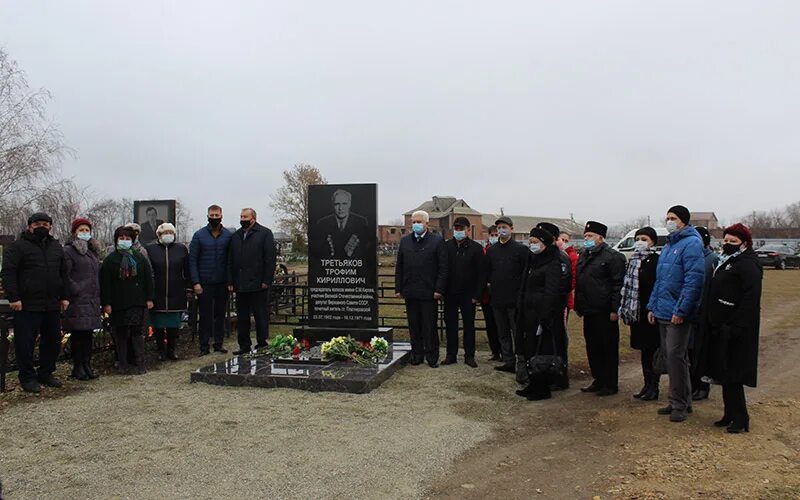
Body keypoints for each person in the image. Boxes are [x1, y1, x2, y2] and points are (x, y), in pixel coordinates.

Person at [647, 205, 705, 423]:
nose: (668, 221)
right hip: (662, 310)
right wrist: (652, 306)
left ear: (683, 221)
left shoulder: (691, 243)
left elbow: (693, 281)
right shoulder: (670, 244)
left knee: (676, 358)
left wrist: (682, 310)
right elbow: (660, 280)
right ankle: (680, 400)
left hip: (677, 314)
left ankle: (679, 404)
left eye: (673, 218)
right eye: (667, 217)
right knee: (673, 359)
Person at [1, 212, 69, 393]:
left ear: (50, 227)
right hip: (26, 304)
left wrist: (65, 296)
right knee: (25, 343)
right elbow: (8, 272)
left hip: (51, 304)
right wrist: (13, 297)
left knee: (53, 340)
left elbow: (63, 273)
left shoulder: (56, 247)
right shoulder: (18, 247)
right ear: (30, 226)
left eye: (46, 224)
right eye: (38, 223)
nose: (42, 227)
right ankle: (27, 377)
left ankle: (46, 373)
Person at [705, 223, 762, 434]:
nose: (727, 244)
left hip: (737, 328)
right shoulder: (729, 260)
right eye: (726, 241)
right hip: (722, 324)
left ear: (744, 243)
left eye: (733, 242)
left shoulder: (748, 264)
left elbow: (750, 297)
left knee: (735, 374)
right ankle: (729, 413)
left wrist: (737, 325)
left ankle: (741, 418)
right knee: (725, 372)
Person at [515, 227, 568, 401]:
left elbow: (551, 292)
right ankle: (533, 384)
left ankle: (542, 388)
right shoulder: (532, 260)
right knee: (530, 349)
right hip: (528, 312)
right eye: (530, 242)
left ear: (544, 243)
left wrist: (544, 317)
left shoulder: (552, 262)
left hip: (541, 314)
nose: (532, 245)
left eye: (535, 242)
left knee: (541, 351)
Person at [575, 221, 625, 397]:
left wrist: (614, 309)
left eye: (590, 236)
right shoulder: (584, 255)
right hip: (589, 309)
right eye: (585, 236)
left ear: (601, 238)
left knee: (607, 348)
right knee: (593, 347)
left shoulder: (613, 257)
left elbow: (618, 285)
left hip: (605, 311)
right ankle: (598, 379)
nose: (586, 239)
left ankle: (610, 383)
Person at [395, 210, 448, 367]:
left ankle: (432, 356)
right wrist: (398, 287)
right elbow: (400, 266)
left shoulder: (437, 241)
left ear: (426, 223)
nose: (416, 224)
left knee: (429, 326)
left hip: (429, 292)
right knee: (414, 325)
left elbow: (443, 268)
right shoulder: (405, 241)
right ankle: (417, 355)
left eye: (419, 221)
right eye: (414, 222)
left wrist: (439, 289)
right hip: (410, 291)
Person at [100, 226, 155, 374]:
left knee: (137, 333)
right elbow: (105, 283)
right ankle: (123, 363)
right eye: (121, 238)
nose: (124, 241)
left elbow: (147, 278)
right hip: (118, 303)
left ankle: (140, 363)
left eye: (127, 239)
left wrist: (149, 298)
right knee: (121, 334)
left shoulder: (139, 257)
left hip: (137, 301)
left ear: (133, 240)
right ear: (116, 240)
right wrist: (106, 303)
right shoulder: (110, 260)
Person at [618, 227, 661, 400]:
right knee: (643, 350)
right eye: (638, 238)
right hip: (636, 312)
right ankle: (646, 384)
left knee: (652, 349)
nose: (640, 242)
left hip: (650, 312)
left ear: (652, 242)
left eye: (644, 239)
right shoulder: (634, 261)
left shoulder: (656, 260)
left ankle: (654, 386)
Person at [228, 208, 277, 354]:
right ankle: (244, 345)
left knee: (260, 315)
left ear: (253, 218)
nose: (242, 219)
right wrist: (230, 281)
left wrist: (266, 280)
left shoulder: (264, 233)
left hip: (258, 283)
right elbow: (230, 260)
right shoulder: (236, 236)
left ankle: (262, 343)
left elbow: (270, 258)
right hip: (241, 284)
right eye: (241, 216)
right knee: (242, 317)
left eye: (245, 216)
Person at [485, 216, 529, 377]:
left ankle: (521, 361)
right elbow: (487, 273)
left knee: (517, 332)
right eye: (499, 228)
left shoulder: (521, 250)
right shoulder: (492, 250)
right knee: (502, 332)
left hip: (515, 299)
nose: (501, 230)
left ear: (511, 228)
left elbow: (525, 274)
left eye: (504, 227)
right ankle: (508, 360)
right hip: (497, 299)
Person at [189, 204, 233, 356]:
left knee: (220, 315)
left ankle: (218, 343)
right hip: (204, 283)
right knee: (205, 316)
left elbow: (230, 261)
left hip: (222, 282)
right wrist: (196, 282)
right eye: (212, 215)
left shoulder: (228, 235)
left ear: (221, 216)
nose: (214, 218)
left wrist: (230, 282)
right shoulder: (199, 235)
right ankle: (203, 346)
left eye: (217, 215)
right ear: (207, 216)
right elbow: (192, 260)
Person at [62, 217, 102, 381]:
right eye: (81, 230)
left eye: (87, 230)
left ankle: (87, 365)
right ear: (74, 232)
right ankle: (78, 367)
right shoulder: (69, 251)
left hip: (91, 299)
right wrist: (75, 289)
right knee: (78, 335)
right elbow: (65, 275)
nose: (85, 233)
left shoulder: (92, 251)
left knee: (87, 335)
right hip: (78, 299)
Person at [534, 222, 573, 390]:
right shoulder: (543, 256)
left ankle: (559, 377)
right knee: (546, 344)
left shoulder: (560, 257)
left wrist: (550, 306)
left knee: (558, 343)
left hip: (556, 308)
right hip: (543, 308)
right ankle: (547, 372)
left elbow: (561, 286)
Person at [442, 216, 484, 367]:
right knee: (451, 325)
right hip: (450, 293)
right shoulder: (446, 246)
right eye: (456, 228)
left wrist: (477, 295)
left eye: (461, 229)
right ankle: (451, 354)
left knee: (469, 326)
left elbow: (481, 274)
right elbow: (442, 269)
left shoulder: (476, 248)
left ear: (468, 230)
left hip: (469, 295)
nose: (458, 231)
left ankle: (469, 355)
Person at [146, 223, 190, 361]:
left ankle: (172, 349)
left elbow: (187, 269)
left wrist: (188, 287)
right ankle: (160, 350)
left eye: (170, 232)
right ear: (159, 235)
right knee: (158, 324)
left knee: (173, 324)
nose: (168, 235)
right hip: (157, 291)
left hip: (176, 290)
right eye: (165, 233)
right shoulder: (150, 249)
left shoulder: (181, 249)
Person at [690, 226, 720, 401]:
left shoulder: (713, 260)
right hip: (690, 310)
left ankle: (702, 386)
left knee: (702, 352)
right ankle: (691, 384)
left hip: (704, 312)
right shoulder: (691, 257)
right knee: (689, 351)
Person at [316, 189, 369, 258]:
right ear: (333, 205)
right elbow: (318, 251)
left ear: (349, 204)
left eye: (344, 204)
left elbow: (365, 249)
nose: (340, 208)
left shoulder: (361, 222)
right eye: (337, 204)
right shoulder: (322, 224)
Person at [481, 225, 501, 361]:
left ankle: (504, 350)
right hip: (486, 295)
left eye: (496, 234)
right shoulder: (484, 250)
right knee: (490, 325)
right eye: (492, 234)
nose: (494, 237)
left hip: (500, 295)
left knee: (502, 325)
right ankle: (494, 351)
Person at [558, 231, 579, 318]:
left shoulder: (572, 256)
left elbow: (573, 276)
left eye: (566, 241)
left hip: (565, 294)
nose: (564, 242)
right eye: (562, 239)